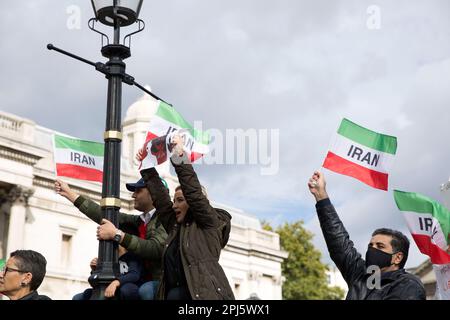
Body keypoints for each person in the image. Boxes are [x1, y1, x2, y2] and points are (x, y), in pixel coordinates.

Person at [137, 133, 235, 300]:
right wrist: (146, 166)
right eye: (174, 201)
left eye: (180, 200)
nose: (174, 205)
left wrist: (179, 155)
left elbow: (194, 193)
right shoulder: (176, 227)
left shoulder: (209, 222)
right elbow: (160, 200)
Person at [307, 171, 426, 300]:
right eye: (371, 245)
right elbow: (338, 242)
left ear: (397, 258)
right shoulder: (361, 275)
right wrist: (321, 195)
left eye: (380, 246)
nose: (372, 249)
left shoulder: (408, 285)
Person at [55, 177, 167, 300]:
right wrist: (70, 194)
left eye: (138, 191)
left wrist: (117, 235)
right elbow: (105, 216)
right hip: (136, 281)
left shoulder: (166, 219)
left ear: (154, 193)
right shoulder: (140, 221)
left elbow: (154, 248)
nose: (133, 195)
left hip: (159, 281)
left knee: (145, 291)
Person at [73, 245, 142, 300]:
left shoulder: (132, 256)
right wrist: (95, 270)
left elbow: (134, 274)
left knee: (127, 290)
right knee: (80, 296)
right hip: (106, 288)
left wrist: (116, 282)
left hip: (126, 288)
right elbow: (93, 283)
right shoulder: (107, 258)